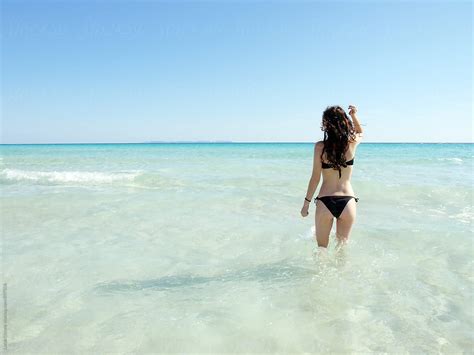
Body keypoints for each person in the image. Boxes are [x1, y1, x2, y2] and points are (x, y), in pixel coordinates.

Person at [300, 104, 364, 249]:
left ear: (325, 124)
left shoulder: (320, 147)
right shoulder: (352, 143)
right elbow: (360, 131)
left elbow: (315, 178)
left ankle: (320, 272)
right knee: (342, 249)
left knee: (321, 249)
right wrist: (354, 115)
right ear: (344, 122)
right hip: (348, 202)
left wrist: (306, 203)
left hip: (325, 201)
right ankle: (342, 272)